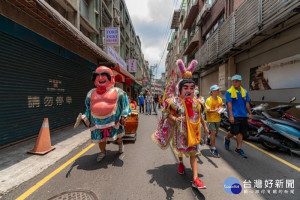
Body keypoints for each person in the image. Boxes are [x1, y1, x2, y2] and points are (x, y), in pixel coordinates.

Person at [152, 59, 209, 189]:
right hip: (180, 131)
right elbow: (167, 114)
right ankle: (181, 163)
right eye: (186, 88)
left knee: (194, 153)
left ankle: (195, 179)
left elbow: (200, 115)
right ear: (180, 89)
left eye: (191, 88)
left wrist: (205, 127)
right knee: (180, 151)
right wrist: (174, 118)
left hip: (193, 132)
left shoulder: (197, 102)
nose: (189, 90)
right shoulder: (174, 102)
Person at [74, 66, 131, 162]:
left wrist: (124, 115)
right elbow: (88, 107)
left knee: (118, 137)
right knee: (100, 139)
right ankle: (103, 152)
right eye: (97, 75)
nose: (100, 78)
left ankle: (120, 145)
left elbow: (125, 105)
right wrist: (85, 117)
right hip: (96, 122)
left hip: (114, 121)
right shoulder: (90, 93)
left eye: (104, 75)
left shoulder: (119, 92)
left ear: (111, 78)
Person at [224, 74, 252, 158]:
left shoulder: (244, 91)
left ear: (240, 82)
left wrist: (250, 113)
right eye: (233, 81)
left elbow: (247, 103)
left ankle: (238, 148)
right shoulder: (229, 92)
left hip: (243, 115)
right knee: (234, 132)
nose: (235, 82)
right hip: (234, 115)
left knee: (241, 132)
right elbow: (229, 104)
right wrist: (231, 116)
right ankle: (227, 138)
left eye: (237, 81)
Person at [205, 85, 223, 158]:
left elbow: (221, 107)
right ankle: (213, 148)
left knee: (216, 133)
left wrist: (221, 110)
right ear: (212, 91)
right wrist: (214, 110)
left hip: (218, 119)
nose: (217, 91)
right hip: (211, 119)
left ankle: (209, 138)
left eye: (218, 90)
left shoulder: (220, 99)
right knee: (213, 132)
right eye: (216, 90)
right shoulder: (208, 100)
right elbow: (207, 111)